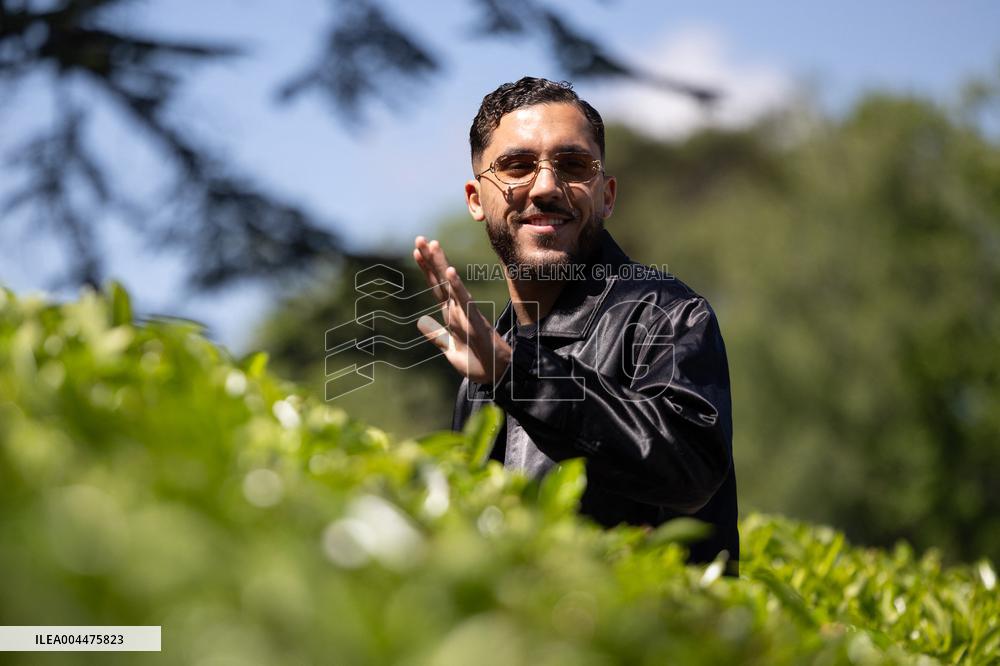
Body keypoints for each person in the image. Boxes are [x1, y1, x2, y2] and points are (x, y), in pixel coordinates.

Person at [412, 77, 738, 569]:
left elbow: (691, 472)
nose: (546, 187)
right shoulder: (482, 371)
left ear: (605, 195)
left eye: (573, 165)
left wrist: (516, 373)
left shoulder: (666, 316)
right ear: (476, 198)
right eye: (517, 165)